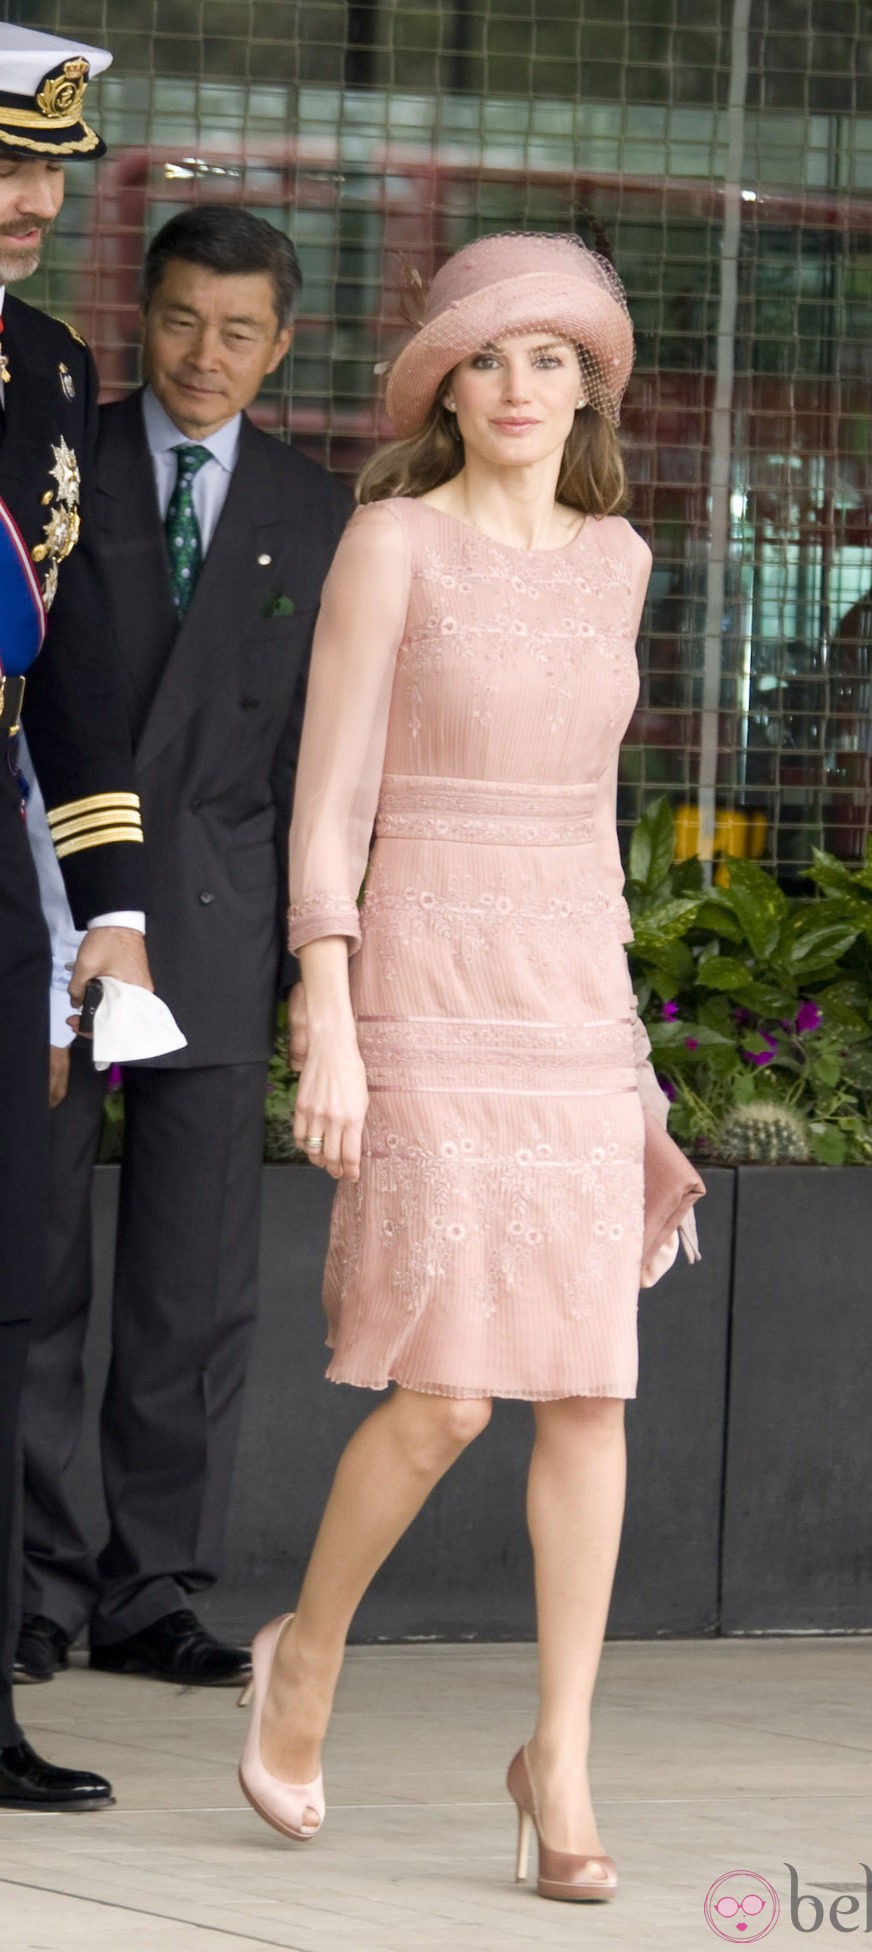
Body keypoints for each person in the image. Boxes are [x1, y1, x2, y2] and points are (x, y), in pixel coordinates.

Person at [236, 232, 703, 1894]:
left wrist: (629, 1041)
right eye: (489, 359)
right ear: (445, 383)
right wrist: (329, 1011)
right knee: (441, 1391)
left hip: (571, 996)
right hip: (422, 978)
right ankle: (308, 1656)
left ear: (590, 387)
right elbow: (334, 798)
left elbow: (590, 822)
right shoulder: (391, 541)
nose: (518, 389)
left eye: (551, 361)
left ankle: (560, 1763)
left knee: (591, 1384)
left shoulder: (622, 559)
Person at [14, 205, 349, 1692]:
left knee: (191, 1284)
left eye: (238, 332)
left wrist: (314, 965)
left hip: (218, 925)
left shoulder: (318, 508)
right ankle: (28, 1584)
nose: (202, 358)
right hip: (53, 905)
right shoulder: (50, 447)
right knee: (33, 1264)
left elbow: (322, 764)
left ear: (282, 346)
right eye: (176, 322)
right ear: (133, 315)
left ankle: (153, 1586)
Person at [0, 23, 153, 1811]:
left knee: (17, 1279)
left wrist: (107, 908)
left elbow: (78, 661)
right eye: (5, 162)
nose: (35, 194)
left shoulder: (49, 367)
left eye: (51, 164)